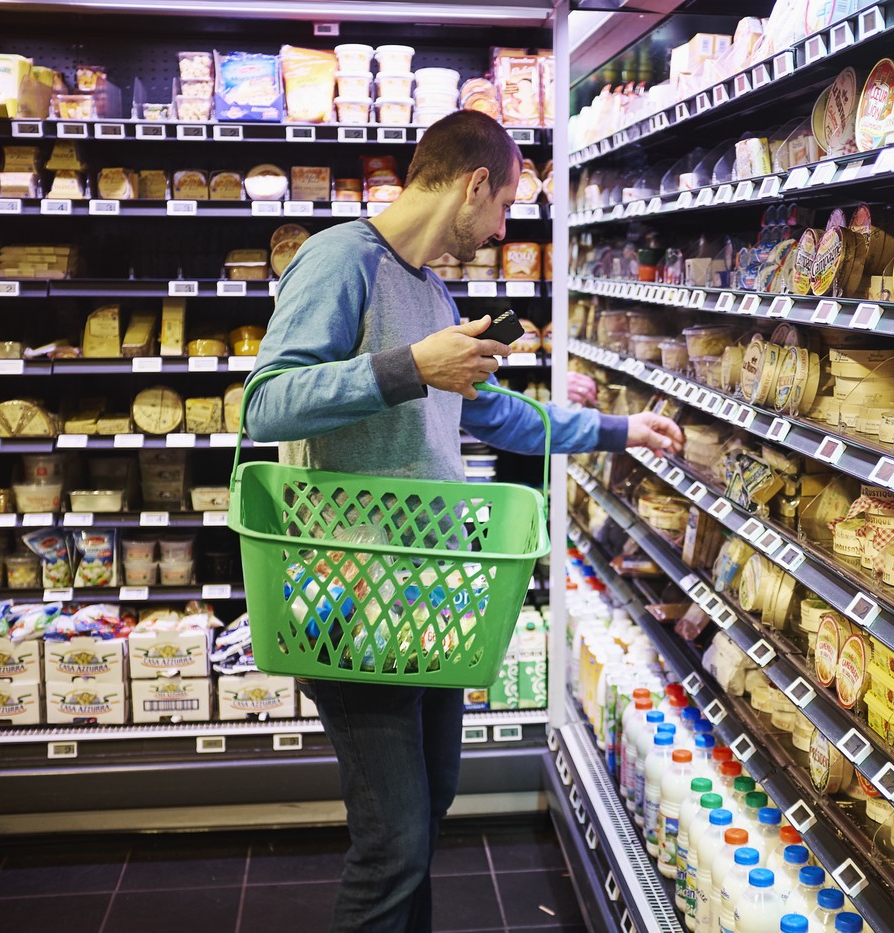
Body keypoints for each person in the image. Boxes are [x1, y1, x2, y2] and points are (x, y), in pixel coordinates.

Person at [242, 109, 682, 933]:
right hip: (349, 597)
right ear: (475, 183)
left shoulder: (432, 288)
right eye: (506, 206)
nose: (503, 227)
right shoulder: (340, 260)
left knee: (430, 806)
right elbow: (266, 403)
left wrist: (621, 430)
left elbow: (497, 418)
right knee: (394, 839)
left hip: (425, 596)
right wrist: (411, 366)